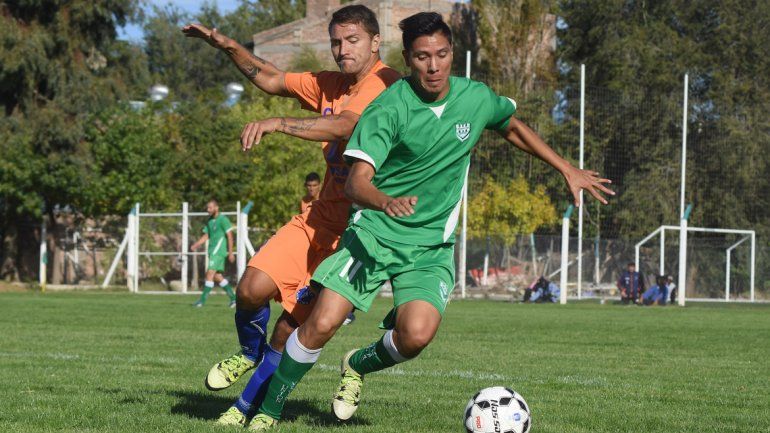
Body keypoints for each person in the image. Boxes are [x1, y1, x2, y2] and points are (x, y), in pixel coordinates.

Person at [245, 12, 614, 430]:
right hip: (374, 235)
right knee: (321, 323)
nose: (434, 66)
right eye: (422, 57)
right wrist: (385, 201)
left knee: (416, 335)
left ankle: (357, 365)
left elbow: (510, 125)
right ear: (407, 59)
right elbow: (356, 183)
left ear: (452, 53)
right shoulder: (388, 108)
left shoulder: (474, 98)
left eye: (441, 54)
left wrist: (566, 168)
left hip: (429, 246)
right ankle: (268, 413)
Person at [182, 4, 402, 426]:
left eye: (352, 40)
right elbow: (270, 78)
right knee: (250, 288)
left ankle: (245, 409)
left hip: (356, 235)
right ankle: (248, 352)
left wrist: (279, 123)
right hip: (317, 220)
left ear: (376, 42)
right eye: (336, 42)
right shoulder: (330, 83)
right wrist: (227, 45)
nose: (343, 49)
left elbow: (346, 125)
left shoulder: (388, 83)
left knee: (288, 330)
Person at [301, 171, 356, 325]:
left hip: (333, 238)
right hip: (317, 239)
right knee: (313, 274)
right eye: (309, 186)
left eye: (314, 185)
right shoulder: (304, 202)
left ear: (320, 185)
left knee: (334, 272)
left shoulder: (326, 198)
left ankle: (347, 310)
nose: (311, 188)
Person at [190, 200, 236, 308]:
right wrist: (196, 244)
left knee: (209, 273)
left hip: (218, 251)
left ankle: (201, 301)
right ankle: (234, 299)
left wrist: (230, 253)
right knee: (217, 276)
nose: (208, 210)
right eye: (207, 208)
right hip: (212, 251)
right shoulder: (210, 221)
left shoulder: (223, 220)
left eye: (210, 208)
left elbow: (230, 236)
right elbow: (207, 235)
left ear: (216, 208)